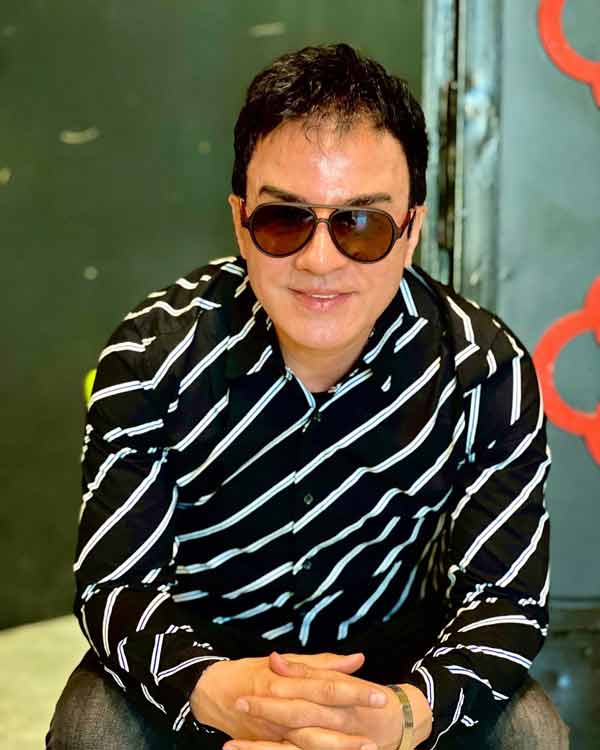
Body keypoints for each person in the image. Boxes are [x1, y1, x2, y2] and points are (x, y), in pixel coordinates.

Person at [47, 44, 569, 749]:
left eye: (362, 224)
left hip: (391, 666)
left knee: (530, 731)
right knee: (93, 726)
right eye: (284, 220)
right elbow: (116, 587)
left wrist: (403, 715)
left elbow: (504, 600)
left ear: (410, 230)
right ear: (240, 222)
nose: (320, 261)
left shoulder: (484, 371)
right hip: (206, 654)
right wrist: (218, 693)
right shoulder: (152, 357)